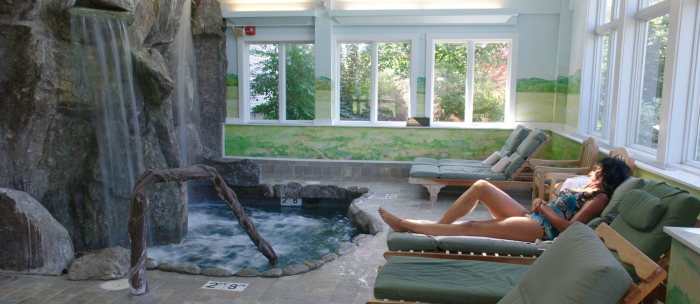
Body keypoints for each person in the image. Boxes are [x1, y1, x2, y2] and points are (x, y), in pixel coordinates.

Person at [379, 157, 630, 242]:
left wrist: (542, 206)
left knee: (471, 227)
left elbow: (568, 227)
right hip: (534, 217)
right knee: (481, 186)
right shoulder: (586, 188)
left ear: (606, 175)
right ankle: (439, 227)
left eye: (597, 170)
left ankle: (407, 225)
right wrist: (540, 204)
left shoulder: (600, 197)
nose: (592, 172)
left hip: (541, 228)